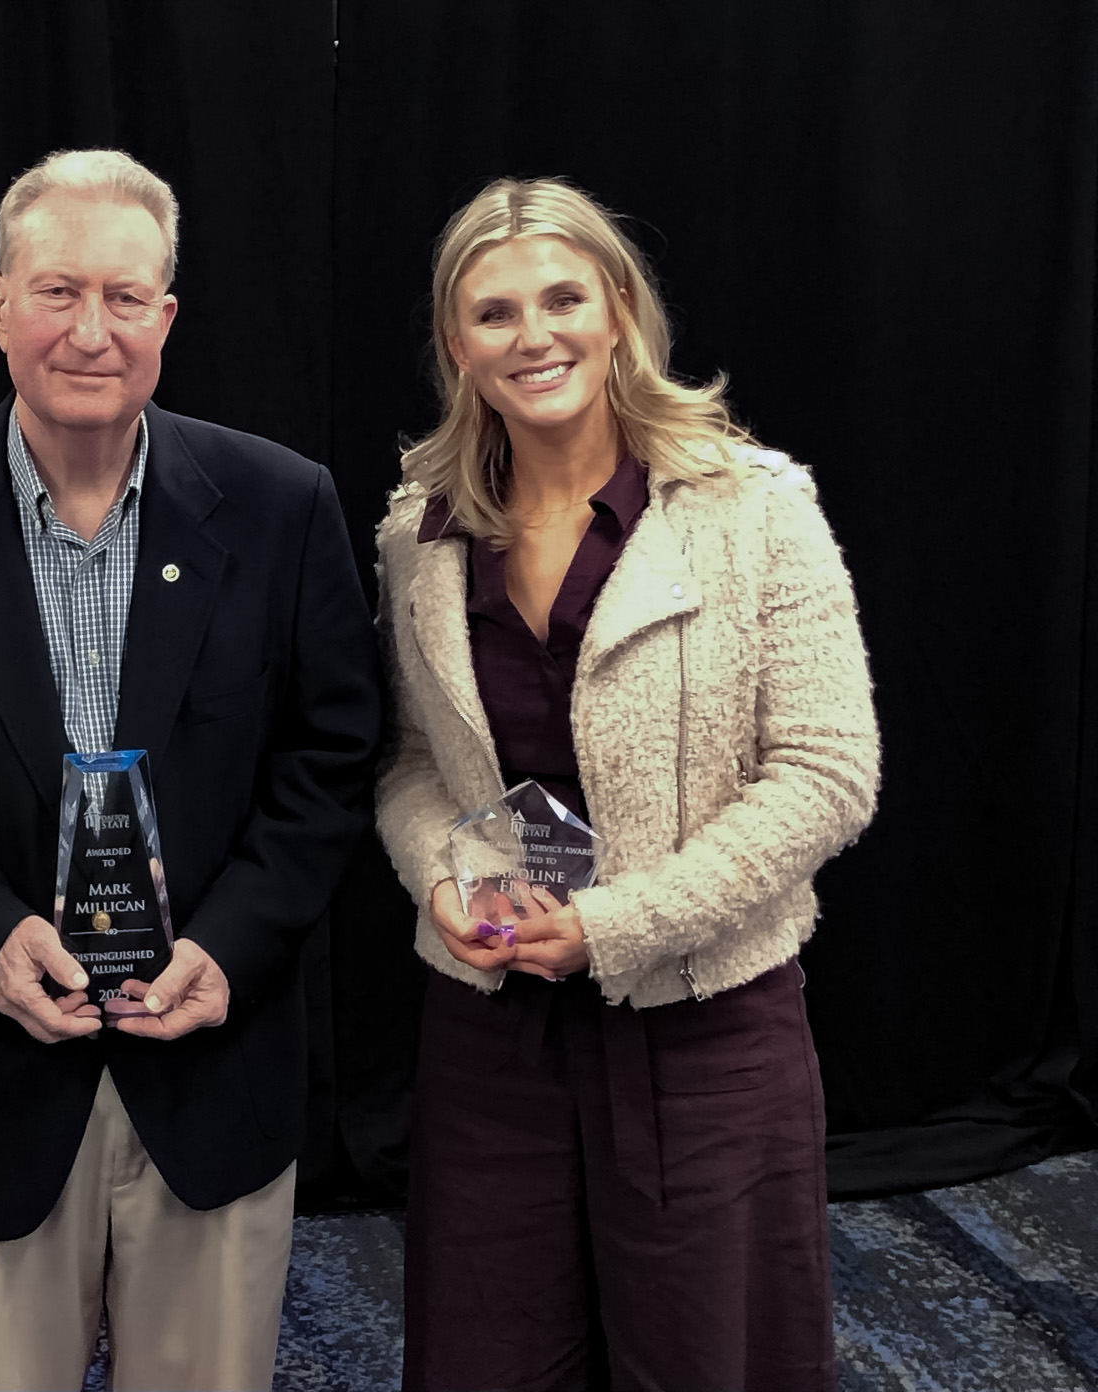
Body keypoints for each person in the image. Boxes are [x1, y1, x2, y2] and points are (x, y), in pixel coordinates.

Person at [0, 149, 379, 1391]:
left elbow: (330, 758)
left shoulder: (282, 506)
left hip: (209, 1063)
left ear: (166, 316)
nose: (90, 330)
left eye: (124, 298)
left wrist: (229, 944)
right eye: (56, 290)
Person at [375, 175, 880, 1391]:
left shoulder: (754, 508)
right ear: (457, 345)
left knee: (709, 1363)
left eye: (561, 298)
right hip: (493, 1032)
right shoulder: (418, 531)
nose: (532, 335)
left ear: (618, 311)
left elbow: (827, 774)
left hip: (704, 1030)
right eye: (493, 313)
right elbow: (405, 767)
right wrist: (444, 879)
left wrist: (608, 929)